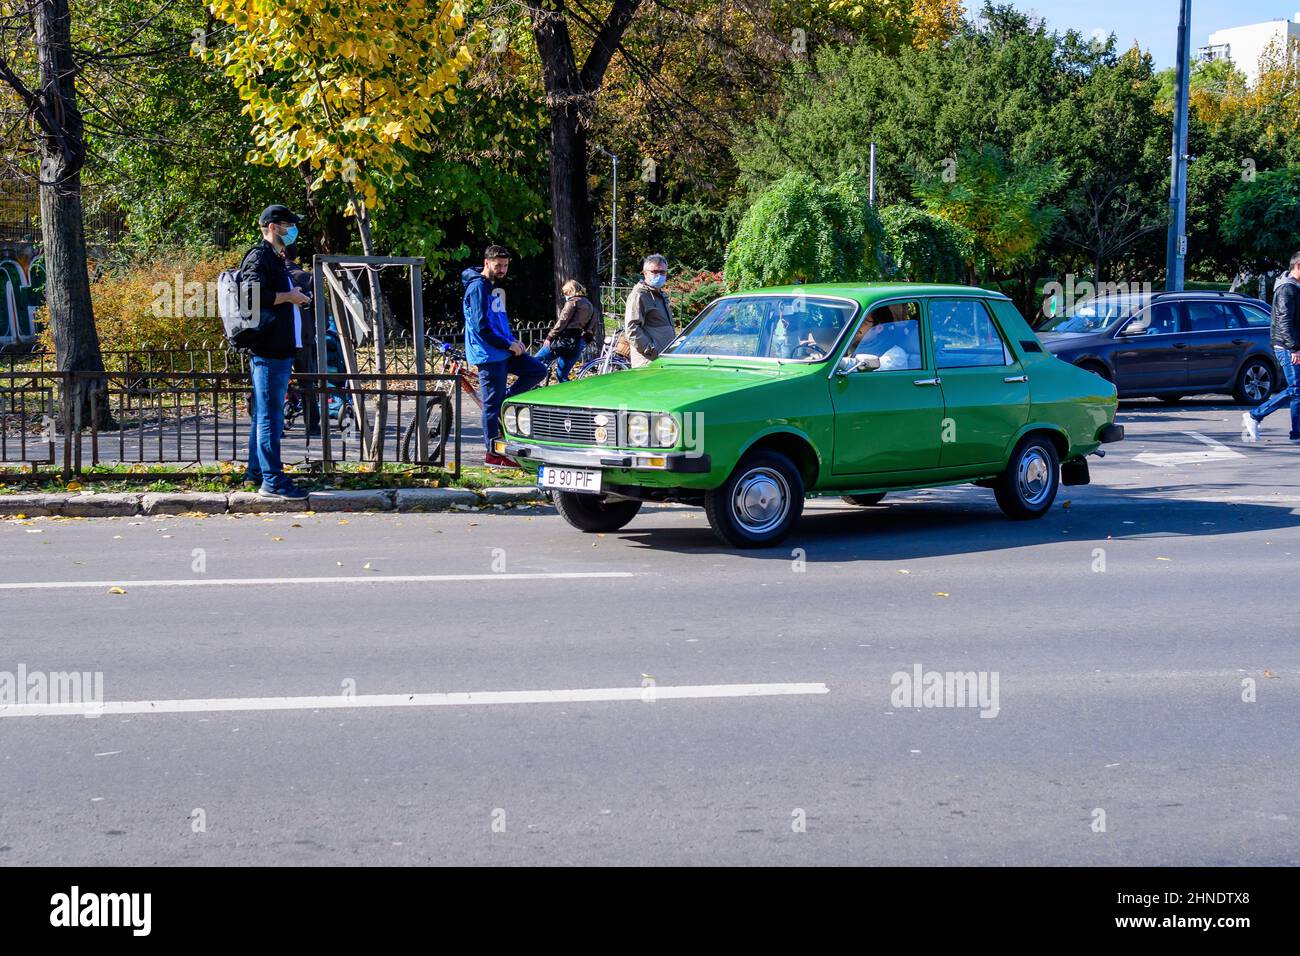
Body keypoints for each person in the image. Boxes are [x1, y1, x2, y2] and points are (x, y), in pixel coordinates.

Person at [238, 204, 312, 499]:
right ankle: (273, 481)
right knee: (271, 417)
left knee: (263, 415)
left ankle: (255, 473)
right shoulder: (259, 256)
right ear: (272, 227)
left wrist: (294, 298)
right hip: (268, 349)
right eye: (288, 225)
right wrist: (289, 297)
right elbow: (252, 296)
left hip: (278, 348)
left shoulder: (275, 258)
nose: (293, 230)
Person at [462, 245, 546, 467]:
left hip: (503, 349)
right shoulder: (478, 286)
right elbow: (481, 327)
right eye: (498, 265)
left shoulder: (492, 286)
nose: (502, 270)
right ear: (486, 262)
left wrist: (513, 341)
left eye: (505, 265)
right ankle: (492, 454)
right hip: (490, 354)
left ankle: (505, 401)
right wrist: (507, 344)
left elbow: (497, 320)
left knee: (538, 370)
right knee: (491, 407)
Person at [1242, 251, 1300, 443]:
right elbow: (1285, 322)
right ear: (1298, 266)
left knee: (1297, 390)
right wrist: (1294, 348)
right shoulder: (1287, 290)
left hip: (1290, 345)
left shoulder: (1294, 288)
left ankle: (1296, 433)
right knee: (1296, 389)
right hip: (1287, 346)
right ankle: (1255, 415)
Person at [284, 245, 320, 437]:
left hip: (280, 338)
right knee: (307, 381)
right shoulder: (306, 278)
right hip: (304, 337)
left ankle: (277, 425)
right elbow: (321, 310)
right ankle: (312, 424)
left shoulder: (275, 277)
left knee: (277, 382)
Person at [536, 280, 598, 382]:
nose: (565, 295)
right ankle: (571, 396)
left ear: (570, 291)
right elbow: (592, 329)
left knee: (535, 361)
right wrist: (584, 341)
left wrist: (549, 337)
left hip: (563, 340)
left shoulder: (573, 302)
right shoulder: (590, 306)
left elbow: (562, 321)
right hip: (578, 342)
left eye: (565, 292)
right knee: (562, 375)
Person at [624, 254, 675, 367]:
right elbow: (632, 329)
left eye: (663, 272)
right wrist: (652, 351)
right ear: (645, 273)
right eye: (655, 271)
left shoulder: (660, 295)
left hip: (663, 359)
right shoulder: (639, 295)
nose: (659, 275)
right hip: (648, 361)